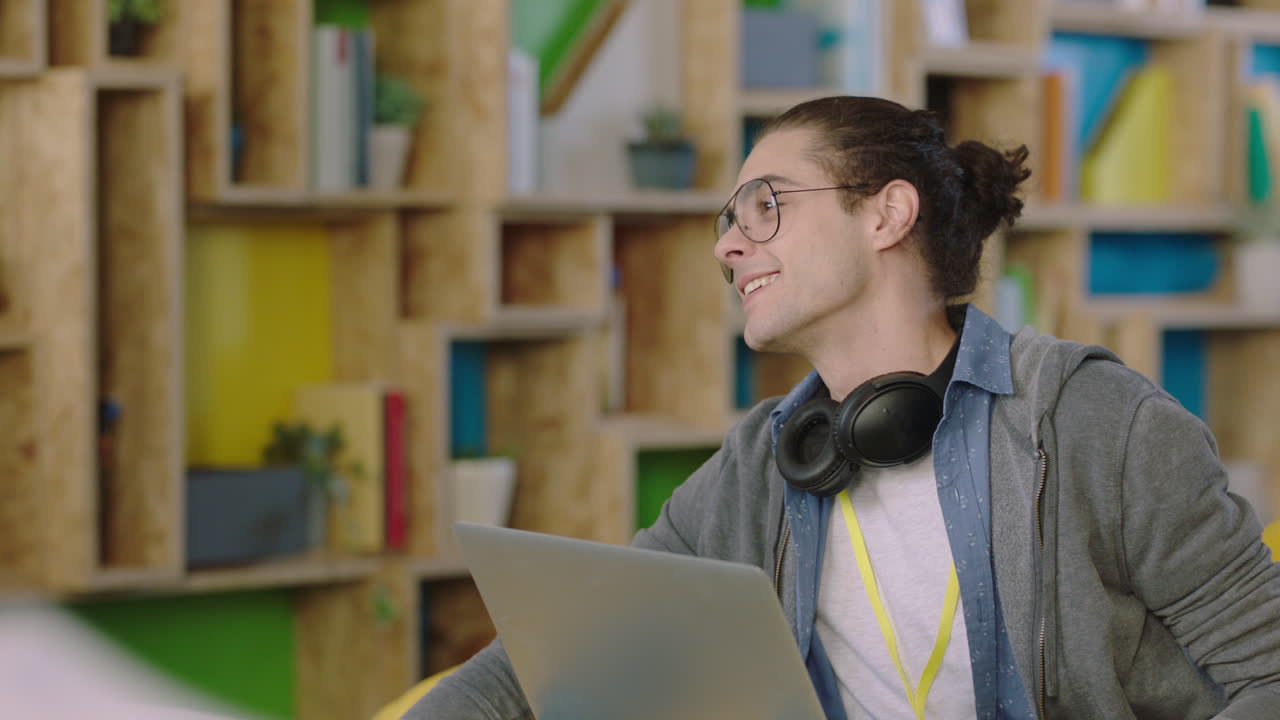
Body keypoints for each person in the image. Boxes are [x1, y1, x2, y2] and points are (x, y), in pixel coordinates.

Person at [401, 96, 1280, 719]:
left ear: (887, 214)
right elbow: (553, 652)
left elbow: (1267, 670)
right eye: (728, 217)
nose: (726, 243)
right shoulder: (767, 459)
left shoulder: (1093, 425)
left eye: (766, 205)